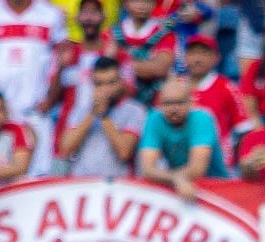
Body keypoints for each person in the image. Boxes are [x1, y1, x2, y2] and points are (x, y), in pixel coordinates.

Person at [0, 0, 67, 175]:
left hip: (35, 111)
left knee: (39, 176)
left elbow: (61, 59)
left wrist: (51, 99)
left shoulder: (50, 14)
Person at [137, 76, 230, 201]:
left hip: (218, 190)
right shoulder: (154, 118)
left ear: (191, 102)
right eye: (168, 103)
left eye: (179, 102)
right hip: (181, 186)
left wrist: (175, 179)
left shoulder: (202, 118)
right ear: (160, 104)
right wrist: (177, 180)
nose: (174, 109)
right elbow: (147, 169)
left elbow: (197, 169)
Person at [56, 55, 144, 179]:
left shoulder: (134, 110)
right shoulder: (81, 110)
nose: (105, 89)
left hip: (116, 186)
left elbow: (124, 152)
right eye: (99, 84)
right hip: (81, 184)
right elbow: (64, 150)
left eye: (111, 83)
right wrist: (92, 114)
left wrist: (104, 116)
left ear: (121, 82)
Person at [48, 0, 118, 139]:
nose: (89, 18)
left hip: (104, 130)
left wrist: (113, 62)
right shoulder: (67, 54)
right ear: (77, 17)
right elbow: (52, 98)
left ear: (103, 17)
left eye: (94, 12)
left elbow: (126, 93)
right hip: (67, 132)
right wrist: (61, 68)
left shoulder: (113, 52)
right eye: (85, 12)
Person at [184, 34, 245, 162]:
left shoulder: (228, 88)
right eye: (193, 53)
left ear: (216, 58)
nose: (197, 59)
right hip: (181, 160)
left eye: (204, 54)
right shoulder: (175, 87)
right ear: (185, 57)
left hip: (219, 163)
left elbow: (244, 129)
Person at [111, 0, 175, 107]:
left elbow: (160, 68)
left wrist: (121, 62)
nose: (142, 5)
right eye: (137, 1)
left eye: (147, 1)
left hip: (153, 102)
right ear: (126, 3)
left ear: (154, 4)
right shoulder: (114, 32)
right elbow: (105, 66)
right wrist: (147, 66)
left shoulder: (164, 33)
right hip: (120, 102)